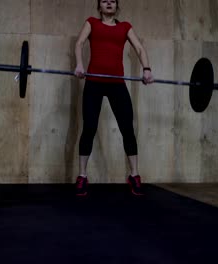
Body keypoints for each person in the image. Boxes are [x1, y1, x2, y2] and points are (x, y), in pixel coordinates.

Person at [74, 0, 154, 196]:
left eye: (112, 1)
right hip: (94, 82)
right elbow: (79, 43)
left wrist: (147, 69)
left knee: (127, 128)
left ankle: (134, 175)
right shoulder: (91, 22)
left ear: (117, 6)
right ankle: (82, 176)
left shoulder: (125, 27)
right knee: (89, 128)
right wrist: (79, 64)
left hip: (117, 83)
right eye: (104, 1)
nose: (109, 4)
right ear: (99, 6)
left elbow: (140, 49)